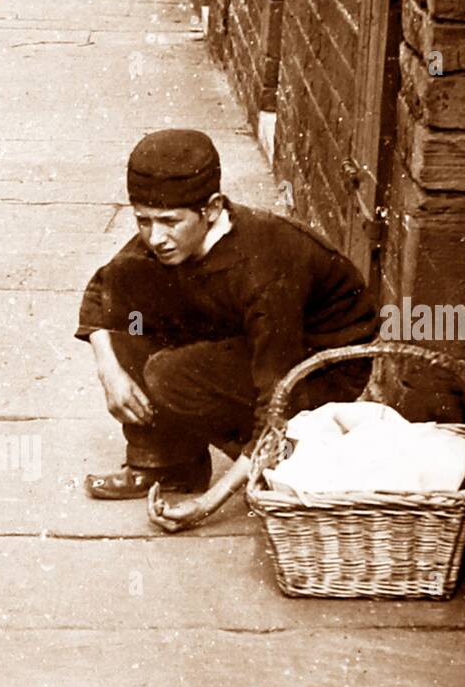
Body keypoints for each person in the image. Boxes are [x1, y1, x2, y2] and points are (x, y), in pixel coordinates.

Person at [77, 128, 378, 531]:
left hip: (318, 363)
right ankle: (166, 465)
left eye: (169, 222)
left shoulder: (265, 269)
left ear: (214, 208)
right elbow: (103, 289)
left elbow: (279, 395)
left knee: (169, 376)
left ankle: (278, 463)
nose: (156, 237)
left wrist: (206, 506)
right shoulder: (168, 238)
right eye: (143, 220)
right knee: (132, 291)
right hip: (251, 335)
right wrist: (108, 372)